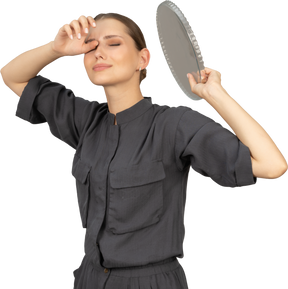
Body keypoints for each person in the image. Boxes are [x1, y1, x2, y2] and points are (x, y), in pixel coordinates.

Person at [1, 10, 287, 289]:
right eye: (90, 47)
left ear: (144, 58)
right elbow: (11, 77)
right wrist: (56, 48)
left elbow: (273, 165)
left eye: (113, 43)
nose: (99, 53)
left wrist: (217, 95)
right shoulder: (84, 119)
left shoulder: (175, 123)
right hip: (88, 278)